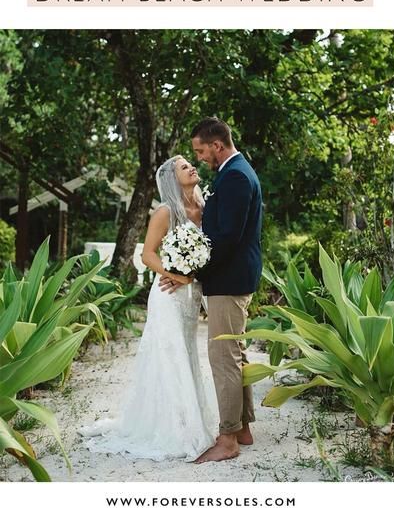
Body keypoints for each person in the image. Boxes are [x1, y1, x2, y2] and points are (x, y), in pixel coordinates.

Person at [79, 155, 217, 462]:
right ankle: (175, 429)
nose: (192, 167)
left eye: (189, 164)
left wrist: (192, 275)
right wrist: (176, 274)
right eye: (184, 167)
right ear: (172, 178)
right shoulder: (165, 211)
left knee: (188, 355)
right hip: (169, 295)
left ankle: (186, 419)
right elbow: (147, 255)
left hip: (192, 295)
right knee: (170, 358)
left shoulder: (206, 208)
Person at [162, 117, 263, 463]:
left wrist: (190, 273)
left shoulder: (235, 176)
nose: (200, 158)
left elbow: (226, 239)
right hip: (233, 277)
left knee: (224, 358)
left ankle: (228, 437)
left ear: (217, 146)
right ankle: (243, 427)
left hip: (231, 279)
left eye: (201, 151)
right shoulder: (234, 171)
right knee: (235, 353)